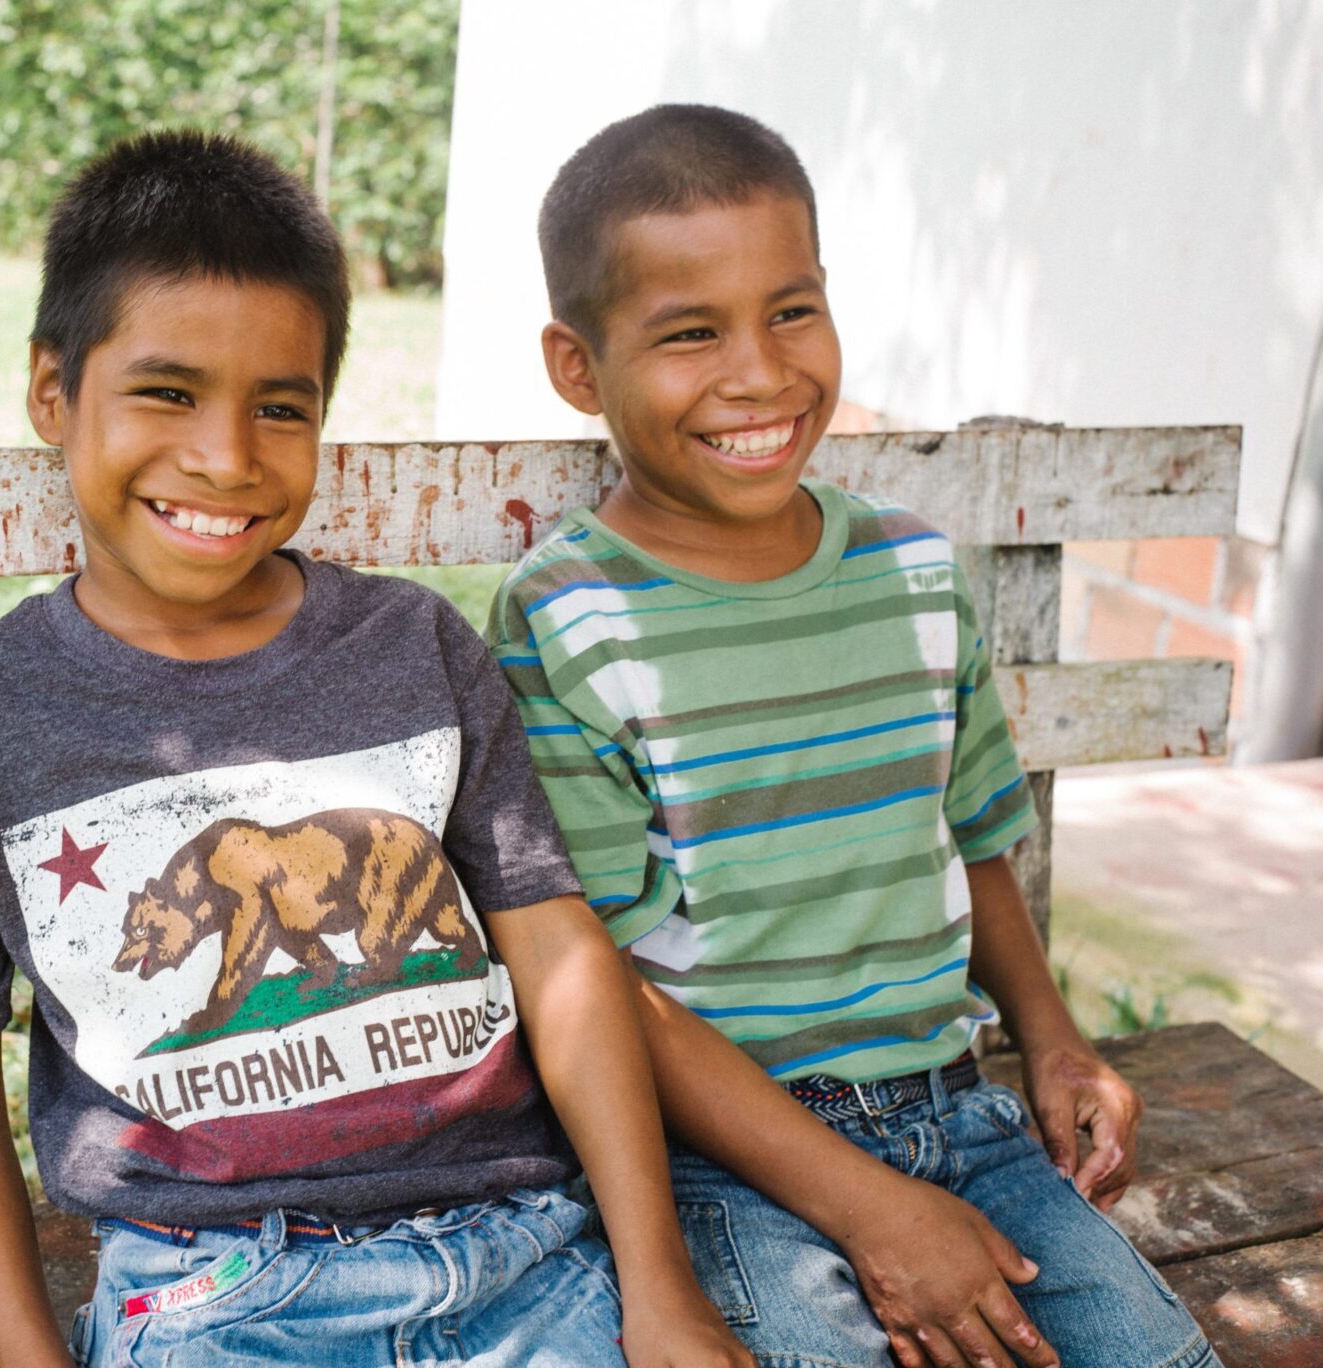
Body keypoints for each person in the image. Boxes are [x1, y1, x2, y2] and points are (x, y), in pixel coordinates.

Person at [0, 129, 751, 1368]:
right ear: (51, 391)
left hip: (518, 1256)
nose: (226, 459)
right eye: (167, 393)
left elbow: (559, 958)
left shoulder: (412, 645)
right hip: (217, 1293)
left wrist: (655, 1284)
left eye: (278, 409)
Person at [487, 104, 1221, 1368]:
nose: (759, 373)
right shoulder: (568, 617)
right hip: (721, 1154)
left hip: (963, 1122)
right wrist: (868, 1206)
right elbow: (596, 978)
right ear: (577, 366)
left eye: (791, 310)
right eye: (689, 332)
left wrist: (1052, 1043)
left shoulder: (911, 573)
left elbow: (973, 836)